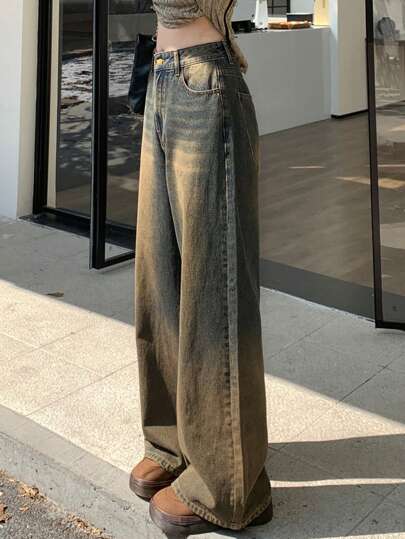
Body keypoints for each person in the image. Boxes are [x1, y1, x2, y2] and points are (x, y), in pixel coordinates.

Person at [129, 1, 273, 535]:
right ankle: (174, 443)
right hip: (163, 77)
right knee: (159, 277)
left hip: (205, 81)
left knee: (216, 287)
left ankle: (230, 485)